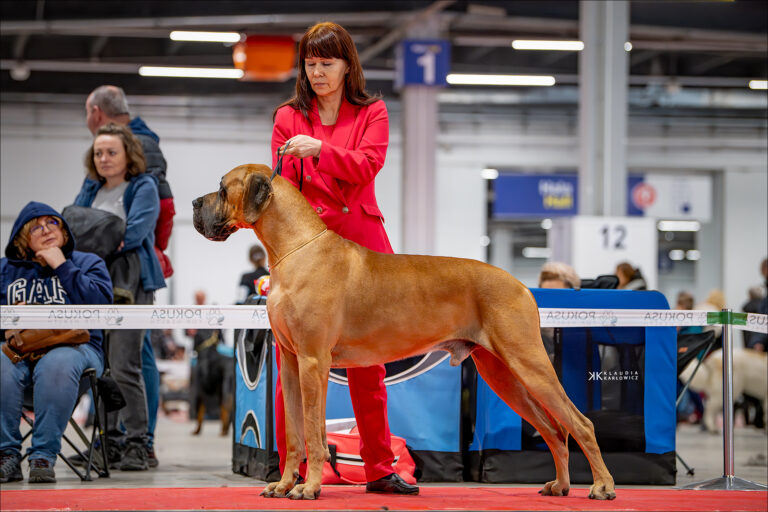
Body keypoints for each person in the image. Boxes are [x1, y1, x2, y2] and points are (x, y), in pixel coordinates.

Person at [269, 21, 417, 495]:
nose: (317, 72)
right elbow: (281, 187)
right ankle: (290, 467)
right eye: (310, 64)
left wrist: (320, 150)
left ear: (348, 64)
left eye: (326, 63)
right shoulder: (286, 117)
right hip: (305, 247)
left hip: (363, 241)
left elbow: (369, 165)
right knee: (289, 358)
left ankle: (378, 467)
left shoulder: (373, 110)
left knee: (368, 363)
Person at [85, 85, 170, 467]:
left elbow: (133, 235)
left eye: (111, 152)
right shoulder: (91, 187)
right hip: (95, 282)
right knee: (102, 367)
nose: (103, 159)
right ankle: (110, 438)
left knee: (127, 365)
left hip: (133, 282)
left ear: (127, 155)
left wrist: (94, 239)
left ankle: (139, 441)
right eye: (99, 153)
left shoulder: (144, 186)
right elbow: (74, 226)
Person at [0, 202, 112, 483]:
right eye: (36, 227)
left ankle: (43, 456)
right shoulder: (5, 270)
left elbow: (102, 310)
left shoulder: (88, 263)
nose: (46, 229)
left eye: (53, 223)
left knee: (57, 361)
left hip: (78, 352)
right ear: (21, 239)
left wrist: (62, 266)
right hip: (19, 353)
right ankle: (7, 455)